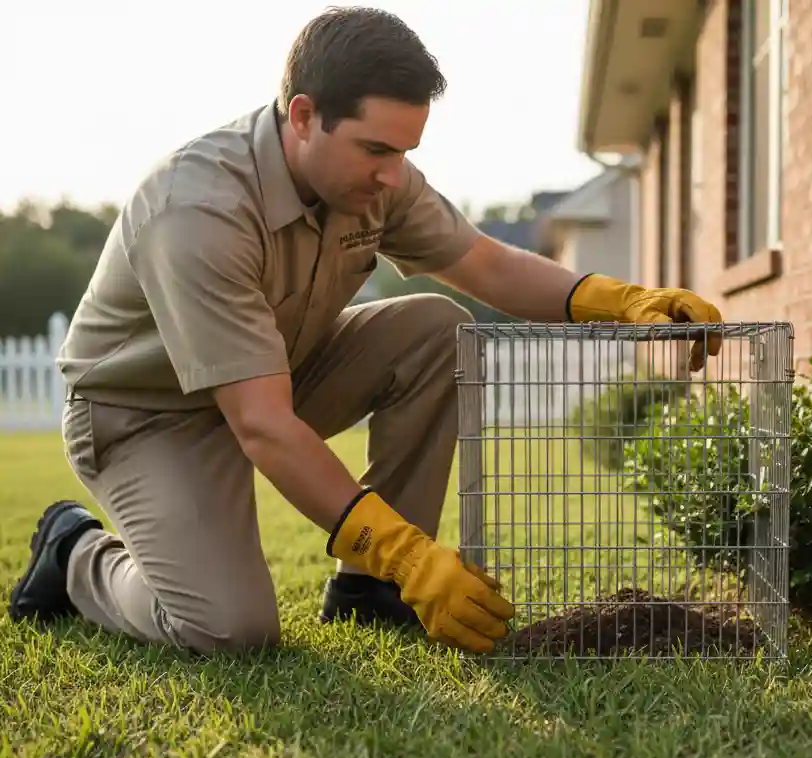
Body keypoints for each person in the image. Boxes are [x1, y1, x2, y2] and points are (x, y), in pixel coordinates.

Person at [7, 5, 722, 656]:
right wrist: (409, 551)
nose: (393, 175)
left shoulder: (373, 181)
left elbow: (482, 261)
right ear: (302, 115)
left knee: (440, 328)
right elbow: (261, 427)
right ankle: (74, 552)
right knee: (230, 629)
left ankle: (368, 590)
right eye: (376, 149)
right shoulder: (196, 211)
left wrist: (617, 300)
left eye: (406, 151)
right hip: (145, 416)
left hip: (273, 380)